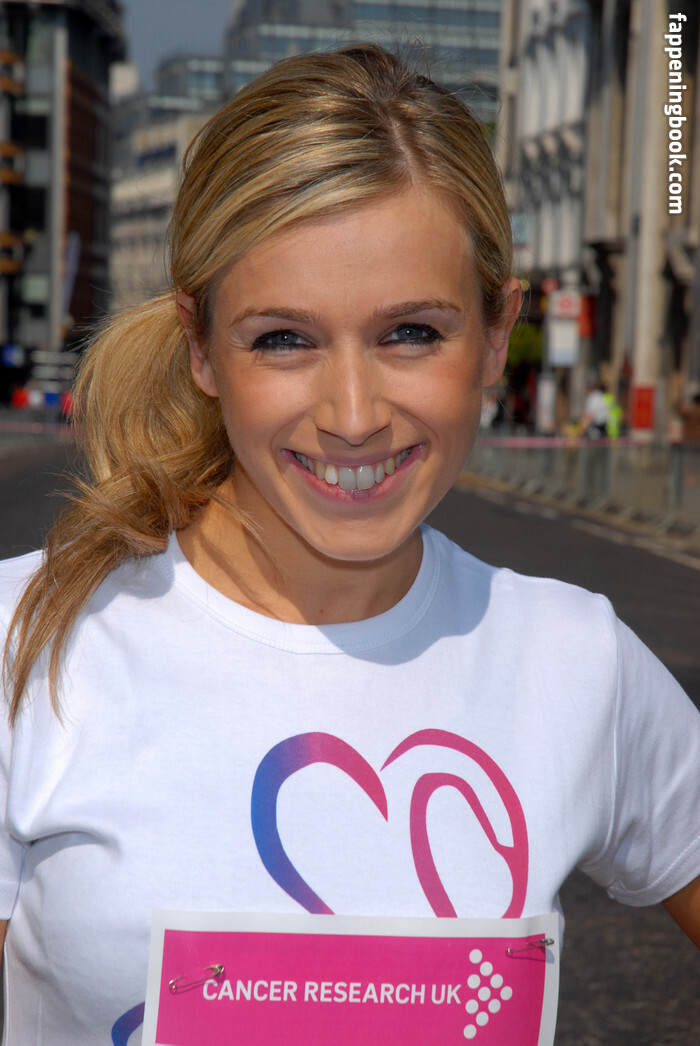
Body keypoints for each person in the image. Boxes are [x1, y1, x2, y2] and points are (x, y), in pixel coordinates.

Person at [0, 45, 699, 1044]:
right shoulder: (26, 643)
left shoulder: (575, 660)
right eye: (283, 338)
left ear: (496, 333)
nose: (354, 413)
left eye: (410, 332)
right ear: (200, 345)